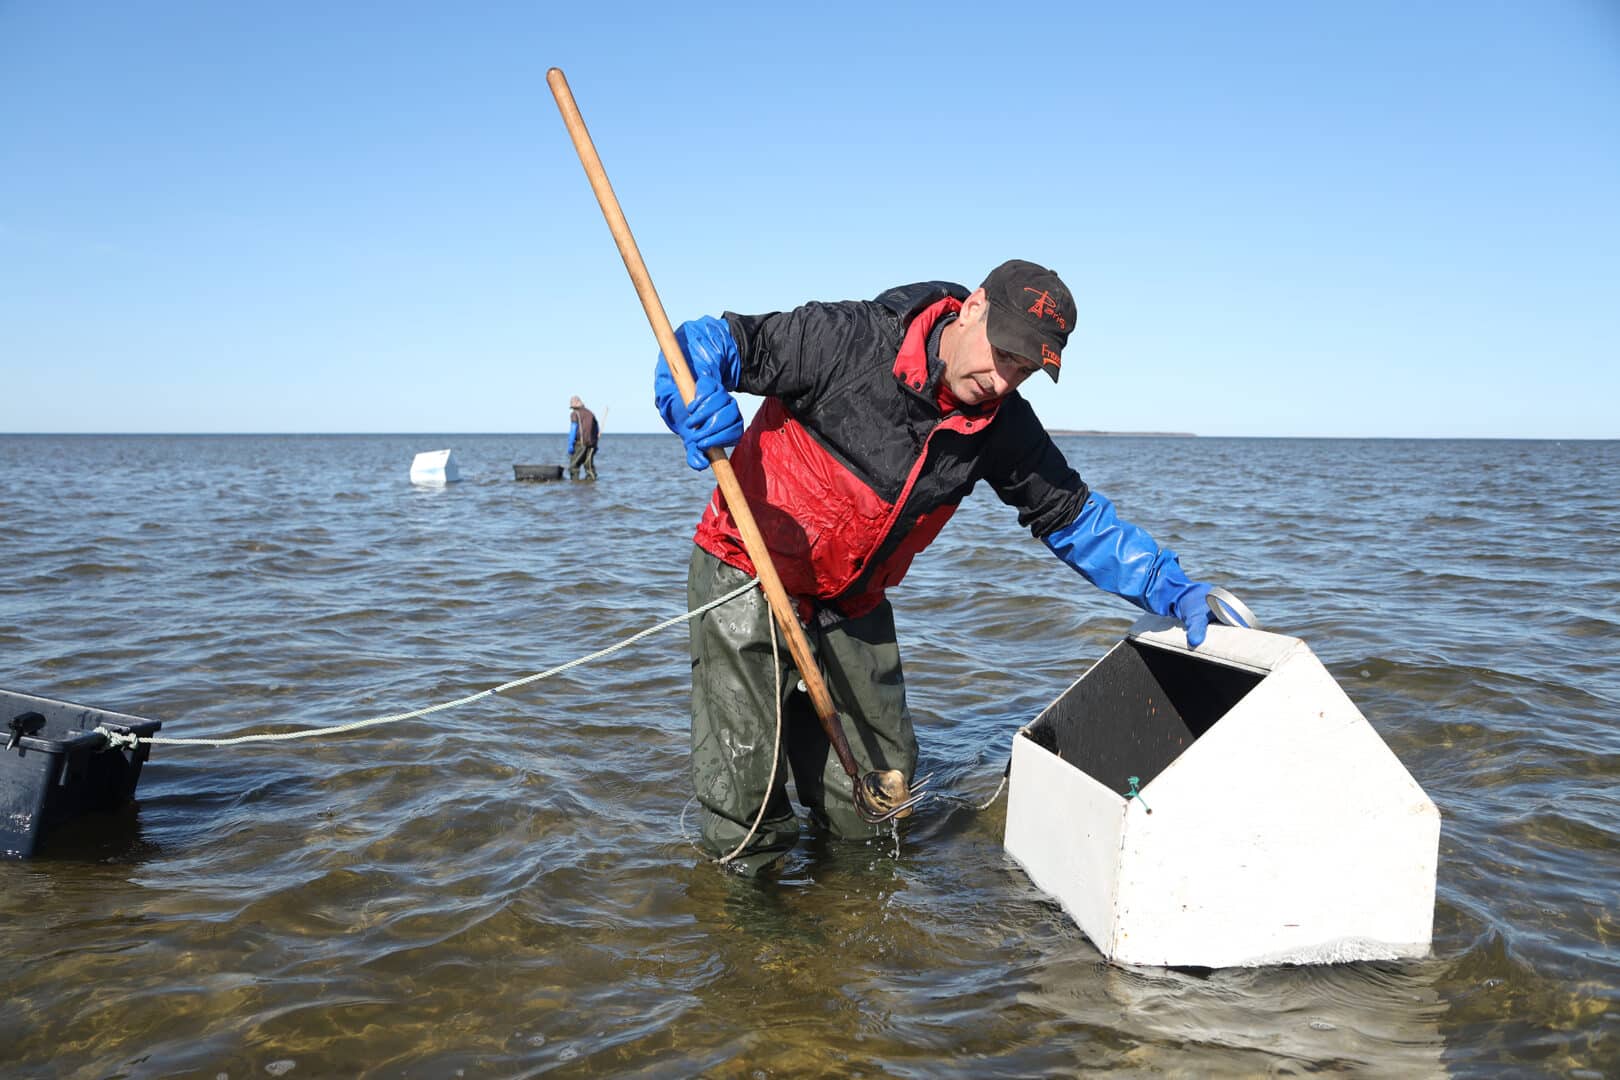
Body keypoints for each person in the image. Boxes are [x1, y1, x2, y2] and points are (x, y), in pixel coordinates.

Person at [654, 259, 1224, 874]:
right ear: (972, 307)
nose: (1003, 381)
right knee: (746, 798)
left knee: (880, 799)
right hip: (748, 569)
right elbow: (712, 343)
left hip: (853, 601)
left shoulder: (1003, 427)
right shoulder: (850, 336)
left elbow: (1076, 519)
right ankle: (758, 939)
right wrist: (687, 389)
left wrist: (1167, 586)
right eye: (1002, 354)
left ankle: (847, 921)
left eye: (1025, 369)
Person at [567, 395, 599, 480]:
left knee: (574, 466)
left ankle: (574, 487)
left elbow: (573, 429)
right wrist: (595, 444)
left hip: (580, 444)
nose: (573, 409)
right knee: (589, 467)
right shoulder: (591, 413)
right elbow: (597, 429)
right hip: (591, 445)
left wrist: (570, 444)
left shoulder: (575, 414)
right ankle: (591, 486)